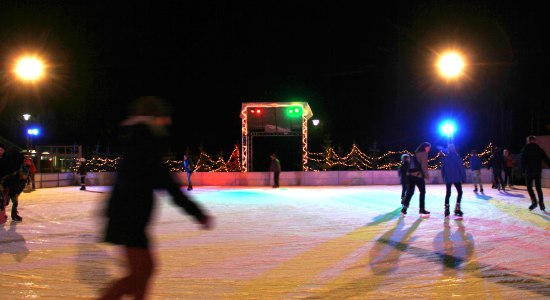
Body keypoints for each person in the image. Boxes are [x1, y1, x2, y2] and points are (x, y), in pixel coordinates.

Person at [99, 96, 213, 300]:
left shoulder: (139, 139)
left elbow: (161, 181)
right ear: (152, 118)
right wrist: (197, 213)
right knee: (141, 272)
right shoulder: (143, 141)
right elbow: (168, 184)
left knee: (145, 270)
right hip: (128, 217)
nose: (168, 121)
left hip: (129, 216)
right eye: (163, 117)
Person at [520, 135, 550, 212]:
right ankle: (541, 203)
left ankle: (534, 202)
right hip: (537, 171)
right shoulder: (539, 149)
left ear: (529, 141)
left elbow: (522, 160)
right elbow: (546, 158)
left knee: (529, 187)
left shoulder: (525, 149)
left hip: (529, 171)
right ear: (534, 141)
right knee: (538, 188)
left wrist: (522, 170)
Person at [401, 142, 431, 216]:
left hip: (410, 176)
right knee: (422, 192)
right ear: (425, 147)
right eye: (428, 148)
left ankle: (404, 209)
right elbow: (424, 166)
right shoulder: (424, 154)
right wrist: (427, 176)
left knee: (410, 192)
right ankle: (422, 209)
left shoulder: (415, 153)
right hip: (418, 176)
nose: (429, 149)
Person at [441, 144, 467, 218]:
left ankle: (446, 210)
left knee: (448, 193)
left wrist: (444, 177)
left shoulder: (445, 159)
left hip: (448, 178)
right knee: (460, 192)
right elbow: (461, 169)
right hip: (456, 178)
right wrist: (463, 178)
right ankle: (457, 209)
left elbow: (442, 169)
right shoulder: (458, 158)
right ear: (454, 149)